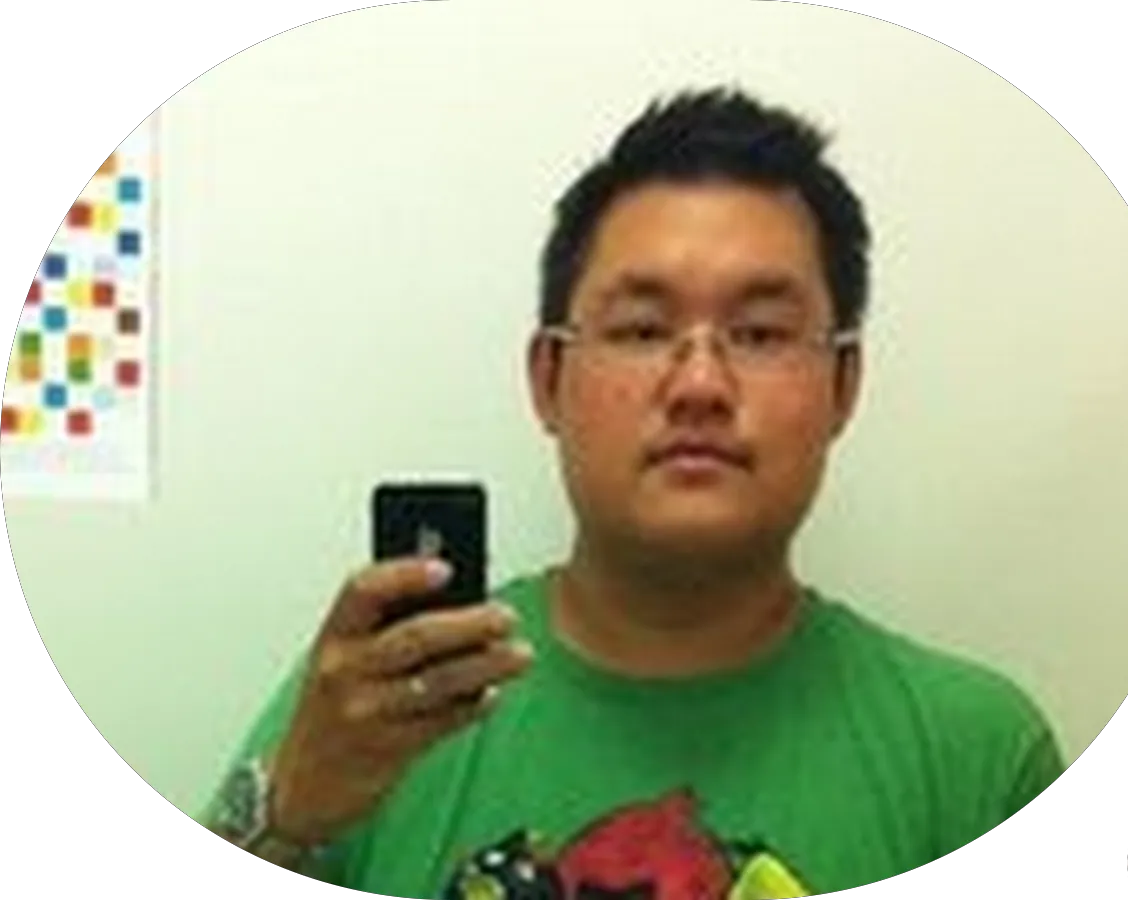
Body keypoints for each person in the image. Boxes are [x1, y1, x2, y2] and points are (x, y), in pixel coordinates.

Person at [201, 86, 1066, 898]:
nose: (700, 383)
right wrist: (287, 811)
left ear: (842, 384)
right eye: (643, 329)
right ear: (549, 378)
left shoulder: (977, 758)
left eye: (760, 332)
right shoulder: (384, 706)